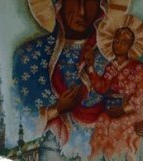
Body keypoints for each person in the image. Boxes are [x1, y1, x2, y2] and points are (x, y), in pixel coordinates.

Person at [12, 0, 111, 149]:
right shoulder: (29, 57)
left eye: (91, 2)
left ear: (101, 7)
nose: (82, 12)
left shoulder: (110, 65)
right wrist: (56, 109)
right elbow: (20, 121)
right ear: (59, 4)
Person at [85, 16, 143, 161]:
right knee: (102, 123)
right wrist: (90, 66)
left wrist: (123, 109)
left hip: (129, 113)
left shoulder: (136, 67)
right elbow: (101, 87)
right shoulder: (111, 66)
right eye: (116, 41)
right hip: (111, 111)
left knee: (123, 133)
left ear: (130, 46)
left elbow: (140, 95)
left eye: (124, 42)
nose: (119, 45)